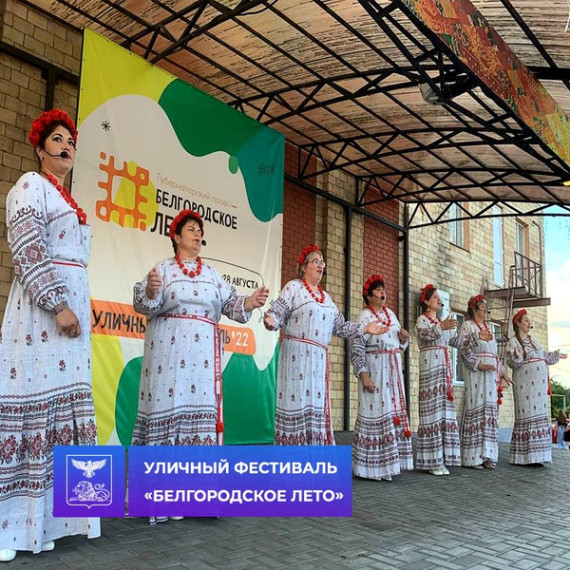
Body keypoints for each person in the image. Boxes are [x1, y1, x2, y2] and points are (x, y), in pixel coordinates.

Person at [0, 109, 99, 562]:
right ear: (40, 148)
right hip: (43, 315)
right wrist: (57, 304)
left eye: (71, 141)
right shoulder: (30, 186)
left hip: (72, 319)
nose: (66, 146)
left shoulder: (69, 200)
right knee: (34, 400)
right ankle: (12, 527)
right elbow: (27, 249)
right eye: (57, 139)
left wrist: (76, 307)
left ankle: (51, 522)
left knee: (66, 404)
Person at [132, 209, 269, 520]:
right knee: (170, 412)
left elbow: (231, 305)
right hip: (168, 356)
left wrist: (249, 302)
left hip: (202, 361)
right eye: (190, 229)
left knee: (198, 418)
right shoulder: (162, 270)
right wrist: (151, 290)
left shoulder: (212, 275)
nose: (197, 234)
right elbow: (144, 302)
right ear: (176, 237)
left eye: (199, 230)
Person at [263, 246, 386, 446]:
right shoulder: (293, 288)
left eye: (322, 262)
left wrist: (365, 329)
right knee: (297, 406)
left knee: (315, 410)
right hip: (297, 358)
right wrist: (271, 320)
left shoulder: (327, 299)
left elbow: (341, 327)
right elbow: (277, 312)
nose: (321, 266)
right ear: (304, 267)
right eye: (316, 262)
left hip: (318, 364)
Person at [350, 274, 413, 481]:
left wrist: (403, 339)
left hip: (392, 371)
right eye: (378, 290)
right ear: (369, 297)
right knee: (377, 413)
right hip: (375, 370)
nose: (383, 292)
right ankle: (371, 468)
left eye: (384, 289)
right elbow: (357, 348)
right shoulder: (364, 317)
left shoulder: (392, 315)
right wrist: (364, 375)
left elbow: (399, 345)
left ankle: (389, 465)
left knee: (391, 413)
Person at [506, 309, 566, 465]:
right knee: (527, 417)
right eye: (525, 320)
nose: (529, 323)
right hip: (525, 387)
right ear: (518, 323)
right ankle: (525, 457)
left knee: (539, 417)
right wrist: (518, 356)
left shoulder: (533, 340)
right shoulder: (513, 341)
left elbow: (543, 356)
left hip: (538, 390)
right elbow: (513, 362)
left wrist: (555, 356)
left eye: (529, 320)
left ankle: (538, 456)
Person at [415, 284, 461, 476]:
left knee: (443, 410)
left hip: (443, 370)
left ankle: (442, 458)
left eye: (438, 297)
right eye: (434, 297)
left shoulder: (442, 321)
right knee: (432, 411)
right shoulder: (422, 320)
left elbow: (457, 342)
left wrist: (474, 338)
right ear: (426, 301)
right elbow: (424, 336)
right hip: (430, 368)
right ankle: (431, 460)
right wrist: (441, 327)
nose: (437, 300)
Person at [458, 294, 507, 470]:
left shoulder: (488, 328)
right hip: (477, 375)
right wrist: (479, 364)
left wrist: (502, 372)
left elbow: (493, 354)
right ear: (474, 308)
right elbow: (463, 350)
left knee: (489, 412)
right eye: (483, 307)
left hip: (490, 378)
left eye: (486, 307)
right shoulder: (468, 326)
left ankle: (488, 456)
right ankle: (473, 457)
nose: (486, 310)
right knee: (476, 409)